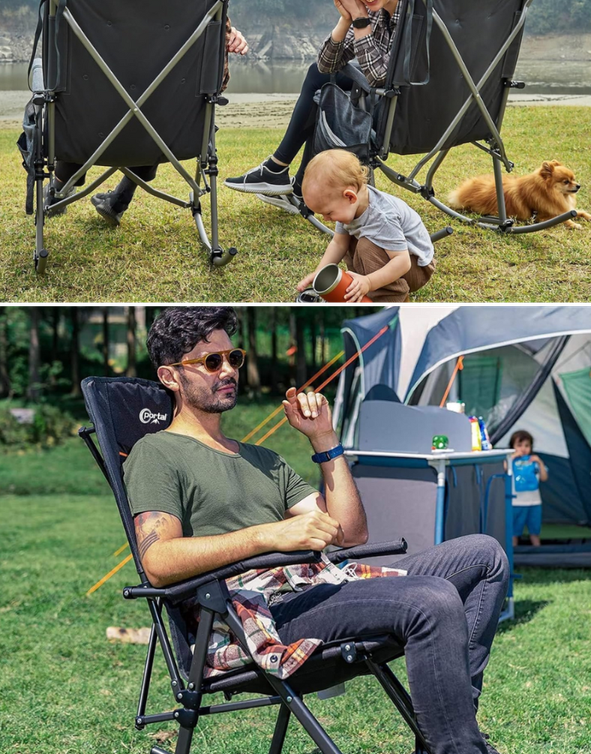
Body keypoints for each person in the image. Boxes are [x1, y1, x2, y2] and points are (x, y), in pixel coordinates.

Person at [123, 306, 506, 754]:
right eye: (211, 362)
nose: (228, 370)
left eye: (234, 358)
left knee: (485, 554)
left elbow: (350, 532)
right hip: (252, 615)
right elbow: (157, 562)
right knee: (432, 598)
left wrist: (324, 440)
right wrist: (268, 535)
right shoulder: (157, 452)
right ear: (171, 377)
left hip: (317, 585)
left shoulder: (261, 458)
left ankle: (453, 733)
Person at [46, 0, 279, 225]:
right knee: (161, 101)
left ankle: (60, 188)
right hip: (172, 132)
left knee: (127, 96)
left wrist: (222, 32)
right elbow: (217, 85)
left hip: (93, 120)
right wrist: (223, 37)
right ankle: (118, 198)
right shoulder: (211, 3)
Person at [224, 0, 409, 210]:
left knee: (323, 88)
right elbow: (324, 66)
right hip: (414, 111)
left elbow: (380, 78)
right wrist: (346, 18)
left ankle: (280, 171)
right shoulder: (374, 6)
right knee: (320, 82)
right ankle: (294, 184)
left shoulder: (413, 13)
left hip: (404, 116)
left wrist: (359, 17)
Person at [296, 148, 436, 303]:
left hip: (416, 268)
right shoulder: (349, 207)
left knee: (366, 246)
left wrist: (369, 282)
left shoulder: (382, 217)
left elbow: (402, 262)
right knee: (350, 240)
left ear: (350, 196)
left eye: (328, 213)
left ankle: (391, 299)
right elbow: (338, 243)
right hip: (395, 259)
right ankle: (362, 287)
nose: (326, 219)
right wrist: (319, 272)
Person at [509, 430, 548, 548]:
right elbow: (503, 469)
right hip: (516, 502)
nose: (523, 449)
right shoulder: (511, 461)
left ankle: (538, 553)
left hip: (534, 502)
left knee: (535, 531)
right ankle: (513, 555)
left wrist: (540, 463)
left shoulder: (534, 461)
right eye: (519, 445)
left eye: (527, 445)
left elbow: (544, 478)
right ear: (513, 447)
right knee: (514, 532)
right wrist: (511, 458)